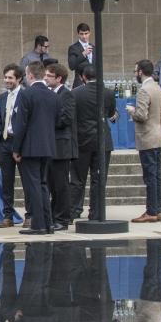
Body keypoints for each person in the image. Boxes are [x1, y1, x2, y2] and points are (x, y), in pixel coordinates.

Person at [12, 61, 59, 235]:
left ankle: (38, 224)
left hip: (30, 147)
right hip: (47, 146)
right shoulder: (53, 95)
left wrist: (16, 148)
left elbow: (21, 123)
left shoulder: (27, 94)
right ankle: (48, 223)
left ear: (30, 75)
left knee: (33, 186)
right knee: (43, 184)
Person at [70, 65, 117, 221]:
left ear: (83, 77)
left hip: (82, 140)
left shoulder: (75, 93)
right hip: (102, 141)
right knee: (98, 179)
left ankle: (74, 210)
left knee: (77, 179)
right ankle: (96, 211)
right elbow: (111, 113)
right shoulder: (108, 93)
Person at [127, 59, 161, 223]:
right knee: (156, 176)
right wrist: (157, 127)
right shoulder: (157, 87)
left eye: (136, 71)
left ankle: (151, 211)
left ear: (141, 72)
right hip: (157, 135)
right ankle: (156, 209)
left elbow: (141, 115)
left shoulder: (144, 90)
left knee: (150, 176)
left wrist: (132, 111)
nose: (135, 74)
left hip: (147, 138)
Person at [44, 63, 77, 231]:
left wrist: (46, 121)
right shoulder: (51, 94)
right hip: (51, 146)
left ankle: (63, 218)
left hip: (61, 146)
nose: (45, 78)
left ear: (59, 78)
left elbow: (66, 119)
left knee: (60, 184)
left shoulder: (66, 95)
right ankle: (53, 215)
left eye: (49, 76)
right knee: (51, 183)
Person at [0, 64, 27, 228]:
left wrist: (20, 146)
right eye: (5, 77)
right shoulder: (3, 97)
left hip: (20, 142)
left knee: (26, 179)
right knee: (6, 181)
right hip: (5, 143)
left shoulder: (25, 95)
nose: (7, 80)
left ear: (19, 79)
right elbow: (0, 120)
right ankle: (7, 215)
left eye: (10, 78)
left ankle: (30, 215)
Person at [68, 23, 93, 88]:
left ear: (89, 33)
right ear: (78, 34)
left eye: (86, 33)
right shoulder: (73, 48)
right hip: (80, 83)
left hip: (93, 83)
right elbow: (71, 66)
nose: (84, 36)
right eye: (81, 34)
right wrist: (83, 54)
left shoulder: (94, 47)